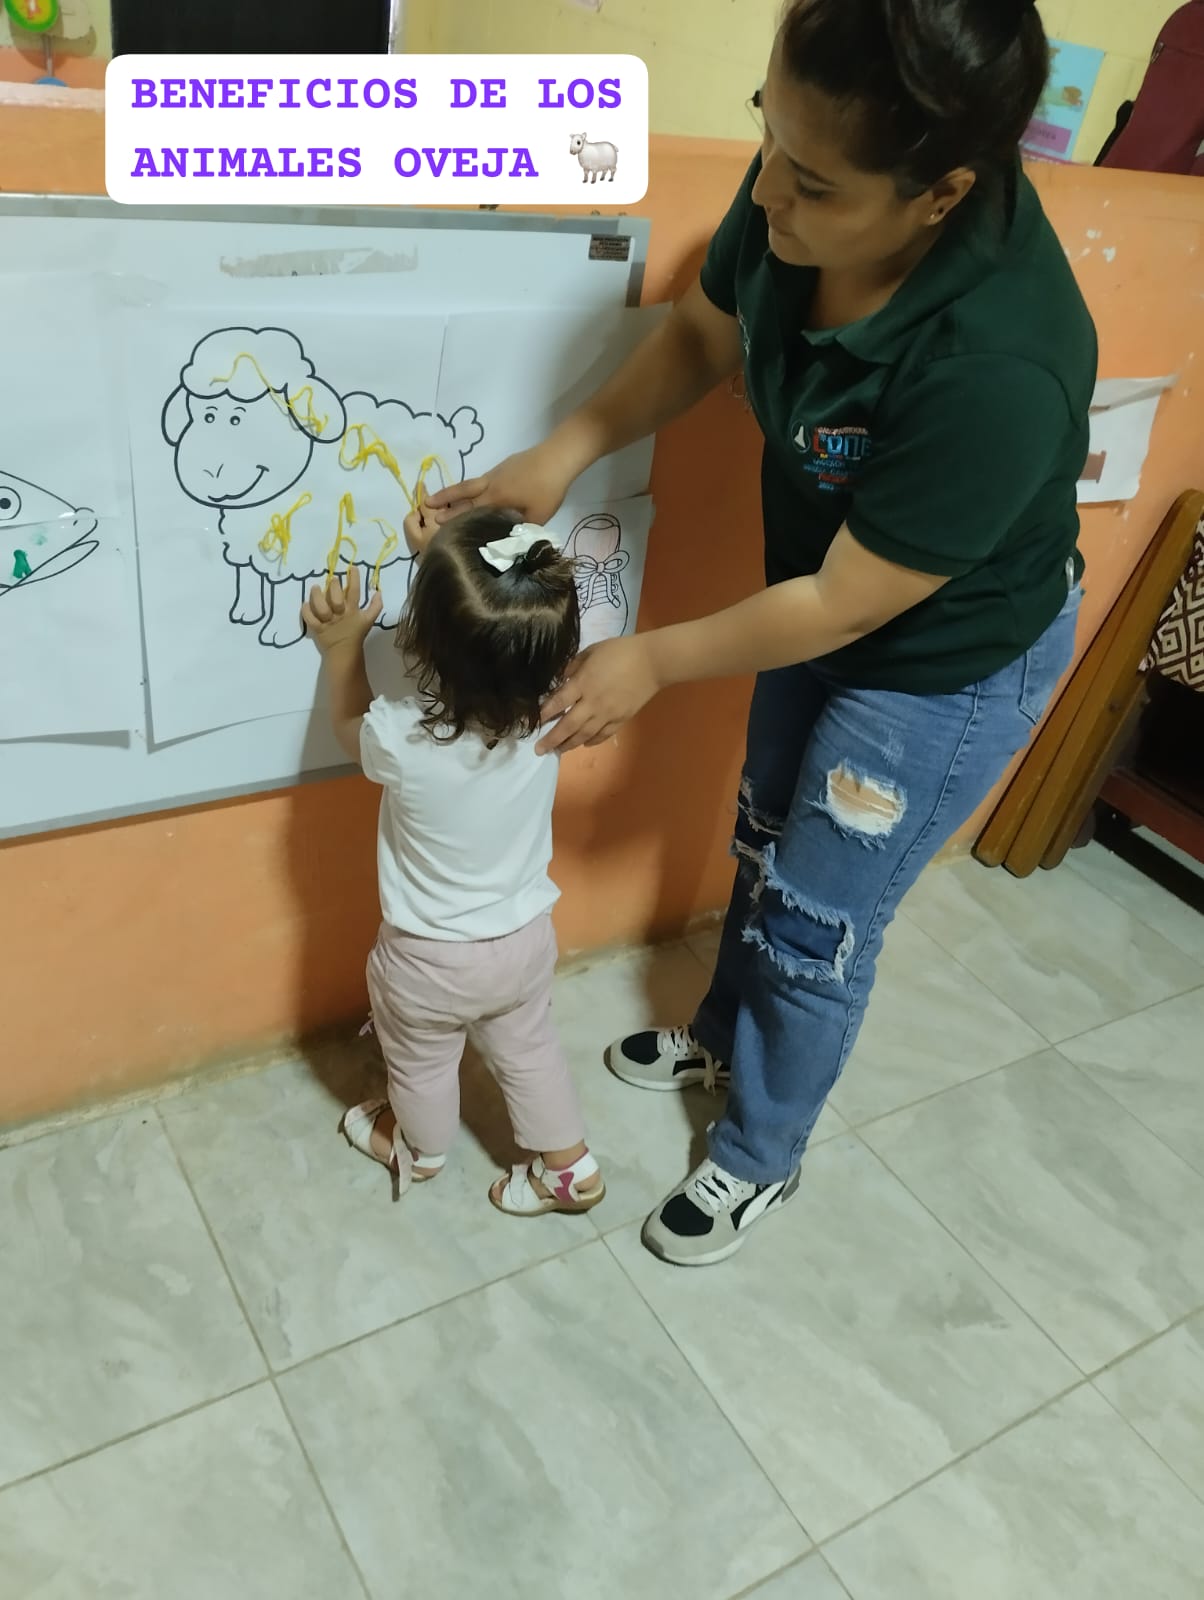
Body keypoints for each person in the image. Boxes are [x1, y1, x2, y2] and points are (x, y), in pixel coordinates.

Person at [428, 0, 1097, 1266]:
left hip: (939, 665)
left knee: (817, 921)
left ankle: (760, 1151)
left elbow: (852, 601)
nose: (771, 193)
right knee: (763, 837)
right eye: (768, 139)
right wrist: (560, 455)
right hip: (813, 606)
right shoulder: (796, 185)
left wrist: (653, 656)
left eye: (816, 182)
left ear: (941, 194)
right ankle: (718, 1040)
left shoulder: (1002, 361)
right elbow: (700, 332)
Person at [302, 505, 605, 1218]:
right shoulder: (555, 713)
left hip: (429, 961)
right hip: (524, 942)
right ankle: (571, 1168)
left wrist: (341, 648)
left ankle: (423, 1149)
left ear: (423, 640)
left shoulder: (400, 738)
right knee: (529, 1051)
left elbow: (347, 723)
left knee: (422, 1062)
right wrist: (440, 556)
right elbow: (495, 637)